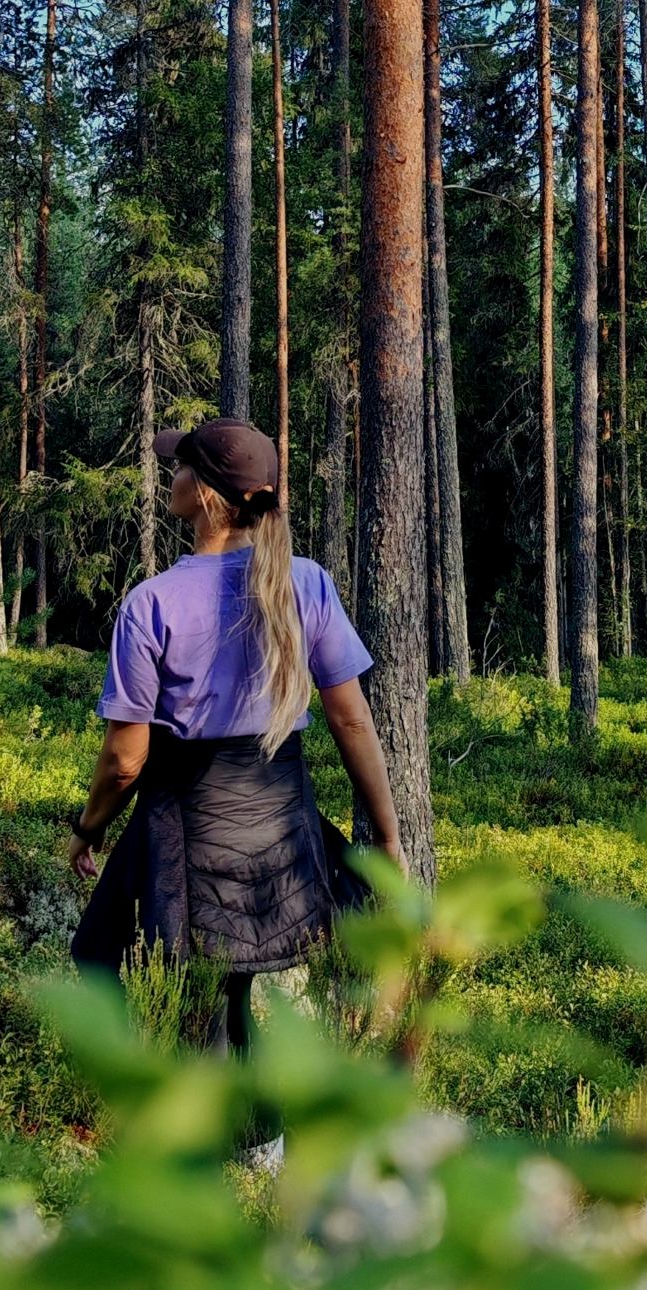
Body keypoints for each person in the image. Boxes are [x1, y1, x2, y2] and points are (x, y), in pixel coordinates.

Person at [66, 417, 406, 1123]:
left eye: (181, 466)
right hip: (281, 822)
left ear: (209, 496)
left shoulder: (152, 603)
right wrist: (388, 835)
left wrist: (88, 829)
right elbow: (350, 720)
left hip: (183, 822)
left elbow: (125, 761)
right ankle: (261, 1142)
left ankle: (169, 1126)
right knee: (239, 982)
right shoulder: (306, 584)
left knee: (100, 956)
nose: (171, 476)